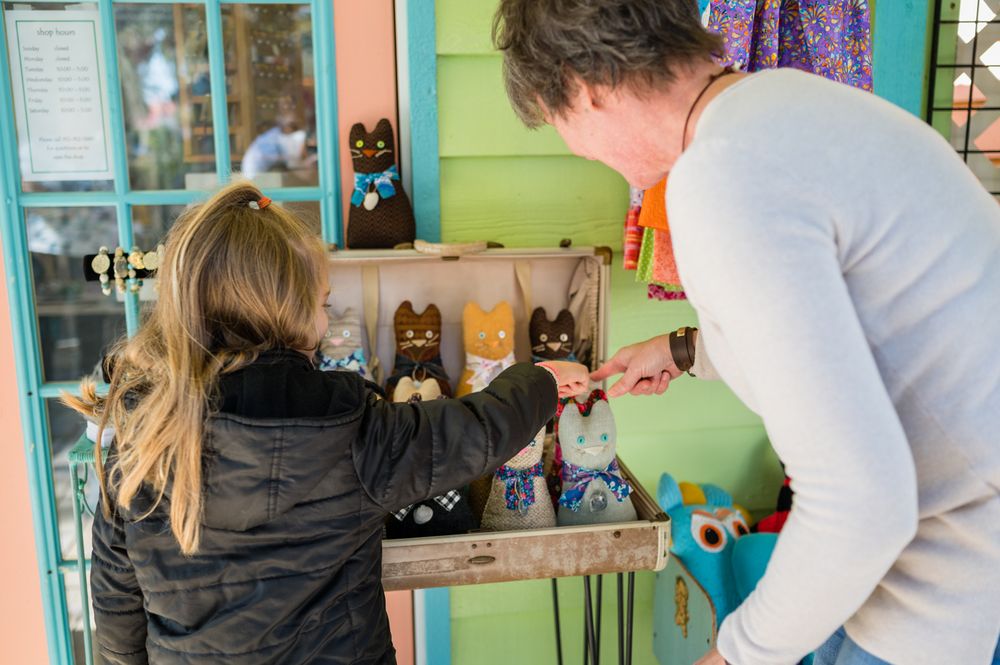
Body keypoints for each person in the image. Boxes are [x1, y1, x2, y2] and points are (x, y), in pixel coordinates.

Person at [494, 1, 1000, 664]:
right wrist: (685, 349)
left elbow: (861, 502)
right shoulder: (784, 103)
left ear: (582, 89)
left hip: (938, 579)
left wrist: (738, 653)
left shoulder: (722, 177)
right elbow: (846, 324)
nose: (576, 148)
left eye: (558, 123)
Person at [63, 182, 590, 664]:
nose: (325, 318)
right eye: (323, 304)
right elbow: (475, 430)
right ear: (288, 312)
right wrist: (541, 379)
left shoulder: (141, 441)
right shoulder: (350, 426)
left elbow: (116, 612)